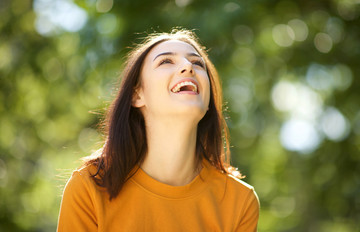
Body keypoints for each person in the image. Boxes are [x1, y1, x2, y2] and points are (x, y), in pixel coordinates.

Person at [57, 29, 260, 232]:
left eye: (198, 63)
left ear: (207, 100)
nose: (188, 66)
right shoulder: (89, 188)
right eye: (165, 61)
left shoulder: (240, 201)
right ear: (137, 95)